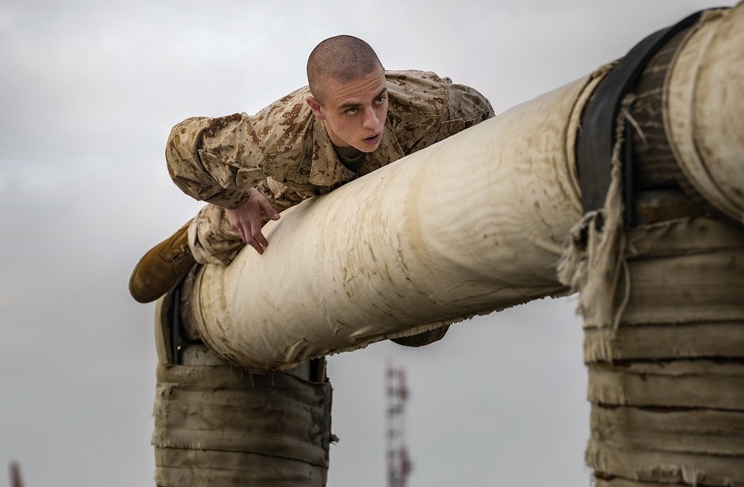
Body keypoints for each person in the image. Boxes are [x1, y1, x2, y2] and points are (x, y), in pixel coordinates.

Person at [129, 35, 494, 344]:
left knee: (424, 333)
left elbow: (484, 119)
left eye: (379, 99)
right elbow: (182, 146)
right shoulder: (276, 135)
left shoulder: (429, 104)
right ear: (317, 108)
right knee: (228, 229)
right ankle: (191, 240)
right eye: (351, 110)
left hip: (390, 177)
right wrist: (234, 199)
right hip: (298, 179)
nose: (372, 121)